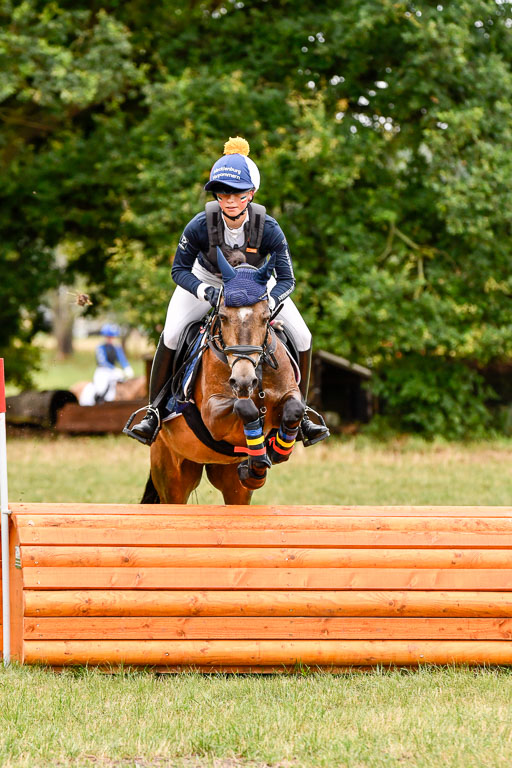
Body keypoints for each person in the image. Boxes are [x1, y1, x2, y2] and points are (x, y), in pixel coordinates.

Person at [130, 137, 329, 446]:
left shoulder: (270, 228)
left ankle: (302, 414)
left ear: (250, 194)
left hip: (259, 285)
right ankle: (154, 411)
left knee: (303, 336)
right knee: (171, 333)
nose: (229, 200)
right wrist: (206, 292)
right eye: (223, 193)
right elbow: (178, 271)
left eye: (237, 193)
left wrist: (270, 303)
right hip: (208, 279)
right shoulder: (199, 225)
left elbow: (287, 279)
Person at [79, 324, 133, 406]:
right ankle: (98, 401)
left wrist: (127, 368)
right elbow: (103, 361)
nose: (110, 339)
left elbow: (122, 359)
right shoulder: (100, 347)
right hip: (102, 371)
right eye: (108, 337)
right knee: (101, 388)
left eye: (112, 337)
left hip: (113, 372)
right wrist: (114, 369)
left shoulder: (117, 348)